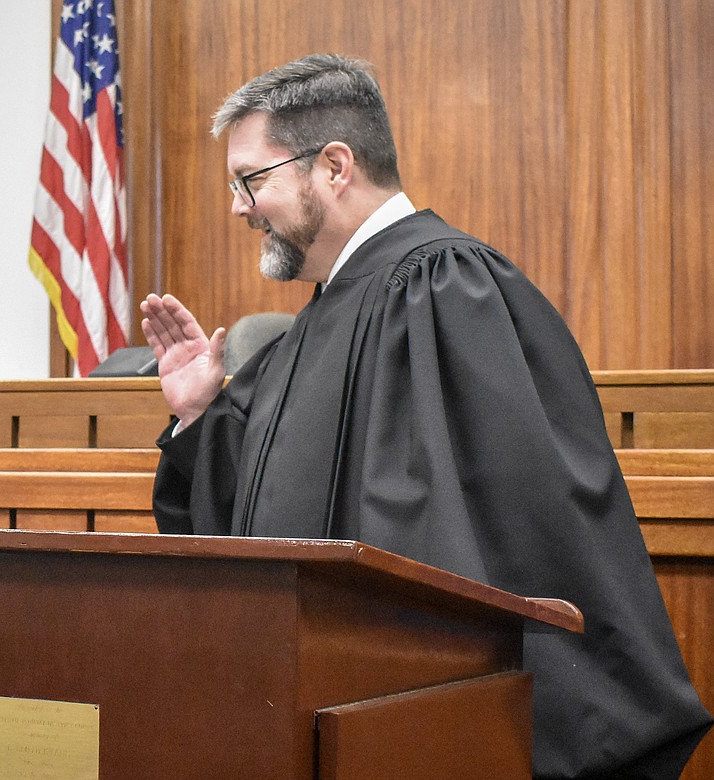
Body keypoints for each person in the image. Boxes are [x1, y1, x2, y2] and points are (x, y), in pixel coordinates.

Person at [141, 54, 711, 779]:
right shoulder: (314, 325)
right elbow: (252, 529)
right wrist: (201, 416)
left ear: (335, 166)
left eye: (252, 180)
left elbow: (482, 537)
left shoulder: (448, 289)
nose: (239, 207)